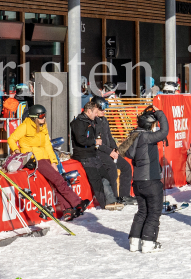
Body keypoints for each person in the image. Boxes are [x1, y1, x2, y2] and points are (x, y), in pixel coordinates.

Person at [8, 104, 86, 220]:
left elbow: (47, 145)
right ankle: (77, 202)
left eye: (45, 115)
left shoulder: (43, 126)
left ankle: (67, 210)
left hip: (45, 158)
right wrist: (17, 151)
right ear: (35, 117)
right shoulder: (25, 126)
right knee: (59, 180)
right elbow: (11, 139)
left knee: (56, 183)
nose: (44, 118)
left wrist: (53, 161)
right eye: (42, 116)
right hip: (35, 159)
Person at [121, 107, 169, 251]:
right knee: (154, 212)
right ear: (149, 125)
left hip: (138, 182)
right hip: (151, 181)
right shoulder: (146, 137)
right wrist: (160, 113)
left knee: (142, 212)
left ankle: (134, 242)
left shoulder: (134, 136)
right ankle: (148, 242)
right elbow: (165, 131)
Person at [70, 96, 125, 210]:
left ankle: (112, 199)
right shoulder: (79, 122)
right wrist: (94, 141)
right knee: (96, 180)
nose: (96, 115)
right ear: (89, 111)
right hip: (84, 155)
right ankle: (105, 203)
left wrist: (112, 147)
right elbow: (81, 140)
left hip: (92, 153)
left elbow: (105, 136)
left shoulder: (91, 121)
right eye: (95, 112)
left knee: (105, 175)